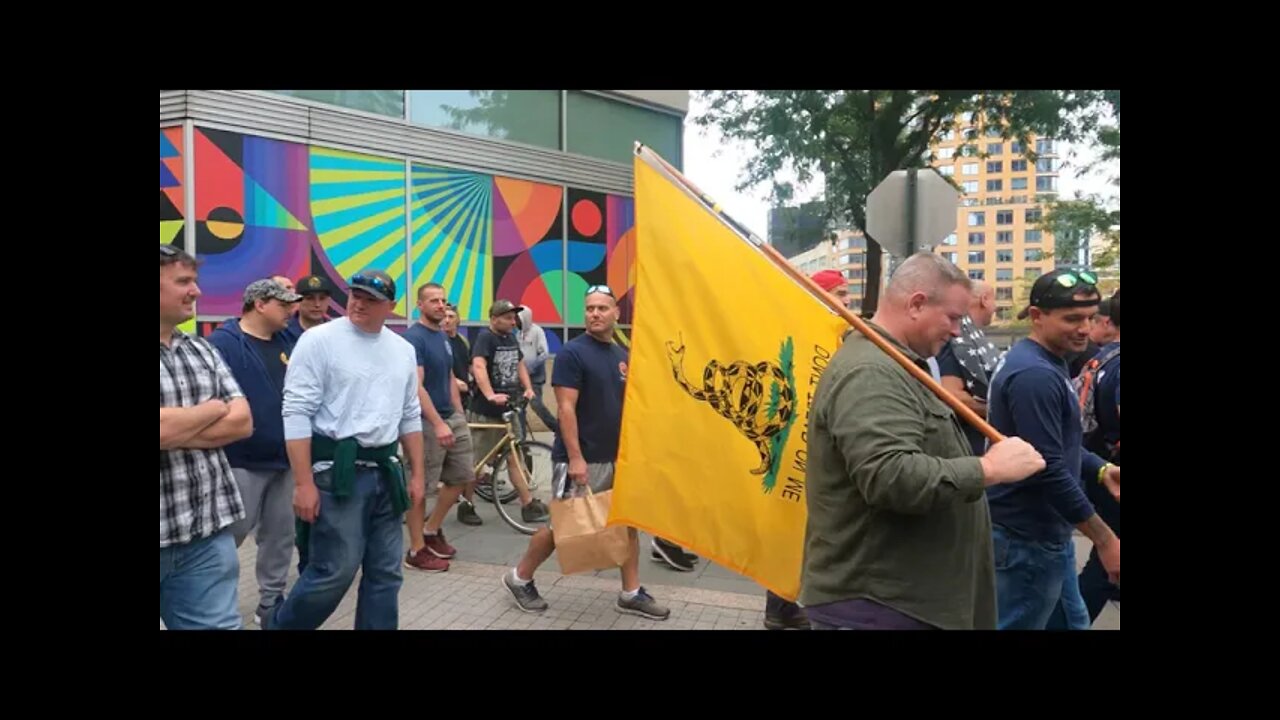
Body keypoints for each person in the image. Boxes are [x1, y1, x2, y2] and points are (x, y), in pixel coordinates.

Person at [801, 253, 1044, 630]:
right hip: (879, 605)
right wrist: (990, 468)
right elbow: (891, 476)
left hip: (902, 601)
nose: (958, 331)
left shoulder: (894, 364)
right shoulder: (872, 371)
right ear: (916, 304)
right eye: (953, 317)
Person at [266, 269, 427, 630]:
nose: (359, 304)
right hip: (336, 473)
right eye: (356, 295)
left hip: (387, 470)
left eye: (371, 299)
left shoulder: (402, 349)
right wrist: (303, 483)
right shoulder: (319, 340)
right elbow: (295, 411)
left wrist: (417, 474)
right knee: (334, 571)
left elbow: (409, 415)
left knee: (386, 573)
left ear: (392, 307)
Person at [501, 285, 670, 620]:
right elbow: (566, 409)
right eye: (590, 308)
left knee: (627, 523)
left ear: (616, 313)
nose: (595, 313)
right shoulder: (572, 353)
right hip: (582, 459)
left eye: (602, 308)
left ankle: (631, 592)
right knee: (560, 528)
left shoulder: (621, 356)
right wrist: (576, 458)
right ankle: (519, 578)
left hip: (616, 458)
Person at [987, 269, 1120, 630]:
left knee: (1073, 622)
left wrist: (1099, 469)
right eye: (1072, 319)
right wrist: (1105, 538)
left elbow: (1054, 445)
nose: (1084, 328)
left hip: (1046, 535)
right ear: (1036, 316)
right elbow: (1047, 468)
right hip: (1024, 539)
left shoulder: (1046, 362)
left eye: (1091, 318)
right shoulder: (1035, 375)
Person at [159, 244, 254, 630]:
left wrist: (174, 428)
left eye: (194, 281)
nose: (196, 291)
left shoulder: (201, 349)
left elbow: (243, 422)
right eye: (183, 281)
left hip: (205, 537)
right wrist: (213, 409)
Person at [207, 278, 303, 626]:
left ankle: (270, 603)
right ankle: (214, 606)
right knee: (227, 540)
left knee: (280, 536)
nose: (291, 310)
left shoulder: (290, 341)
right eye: (283, 303)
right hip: (240, 461)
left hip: (286, 459)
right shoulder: (222, 344)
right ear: (260, 304)